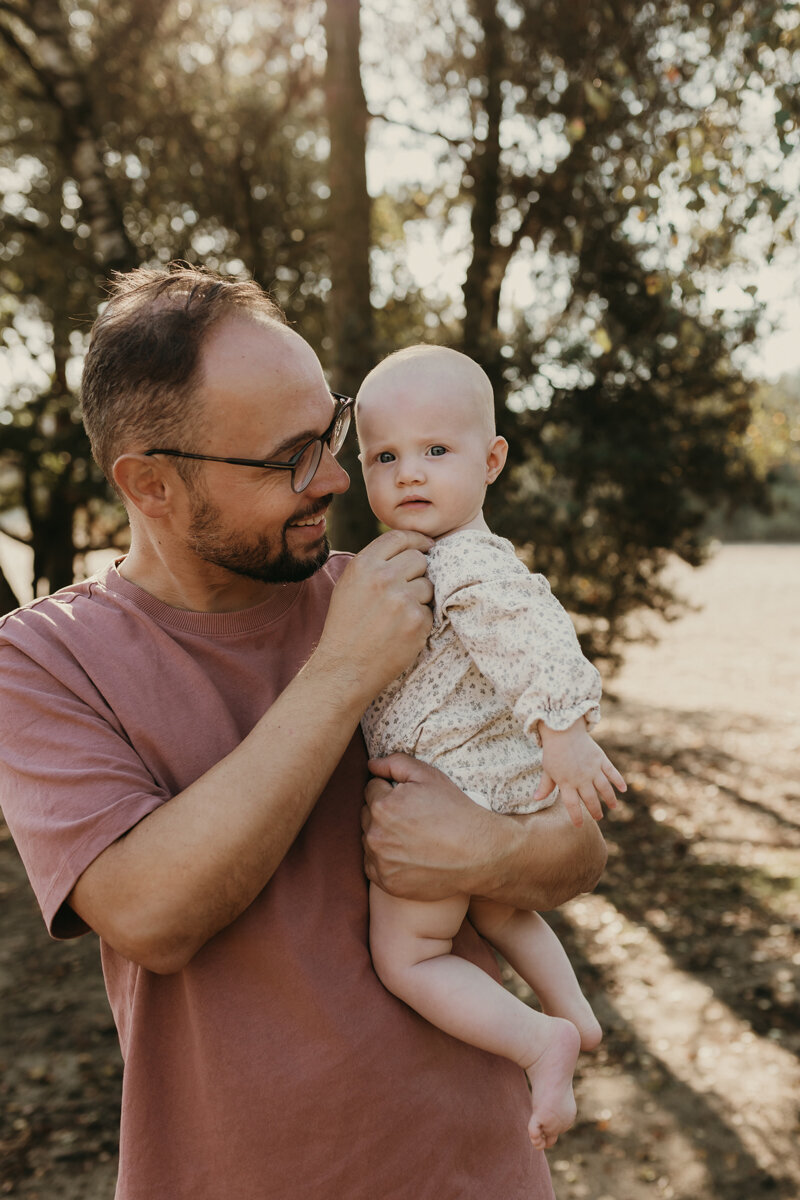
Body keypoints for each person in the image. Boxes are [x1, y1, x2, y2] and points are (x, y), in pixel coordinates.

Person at [0, 265, 608, 1200]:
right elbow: (150, 915)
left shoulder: (406, 588)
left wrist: (485, 849)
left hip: (480, 1173)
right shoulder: (43, 660)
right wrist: (344, 672)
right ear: (151, 484)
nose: (334, 476)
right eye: (291, 456)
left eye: (332, 429)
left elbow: (579, 853)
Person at [356, 344, 627, 1150]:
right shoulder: (434, 557)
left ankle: (536, 1039)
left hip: (456, 789)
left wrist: (563, 734)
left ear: (492, 459)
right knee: (502, 906)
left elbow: (535, 636)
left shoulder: (466, 562)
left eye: (437, 451)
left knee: (408, 954)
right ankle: (573, 1010)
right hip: (488, 780)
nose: (410, 474)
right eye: (385, 457)